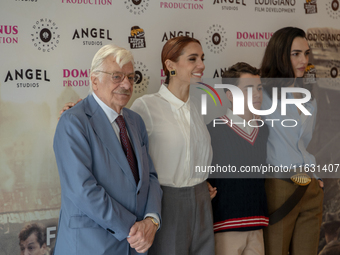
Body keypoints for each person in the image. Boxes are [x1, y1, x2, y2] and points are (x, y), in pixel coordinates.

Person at [53, 44, 162, 255]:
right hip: (91, 246)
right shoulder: (73, 121)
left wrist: (151, 220)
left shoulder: (135, 121)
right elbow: (82, 189)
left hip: (136, 246)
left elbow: (150, 177)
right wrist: (133, 229)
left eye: (131, 77)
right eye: (117, 77)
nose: (126, 84)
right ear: (94, 80)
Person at [129, 36, 215, 255]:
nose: (201, 65)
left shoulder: (196, 107)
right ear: (170, 65)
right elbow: (122, 147)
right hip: (166, 204)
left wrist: (197, 181)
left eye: (202, 58)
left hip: (203, 201)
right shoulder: (146, 106)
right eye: (193, 59)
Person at [260, 27, 324, 255]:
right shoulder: (261, 95)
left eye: (306, 54)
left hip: (310, 188)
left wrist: (315, 177)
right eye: (295, 54)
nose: (303, 60)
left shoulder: (310, 98)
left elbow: (304, 144)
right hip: (279, 185)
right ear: (279, 54)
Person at [207, 62, 269, 255]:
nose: (257, 94)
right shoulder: (213, 130)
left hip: (257, 223)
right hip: (226, 226)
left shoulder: (263, 129)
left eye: (259, 88)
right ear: (231, 95)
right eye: (249, 89)